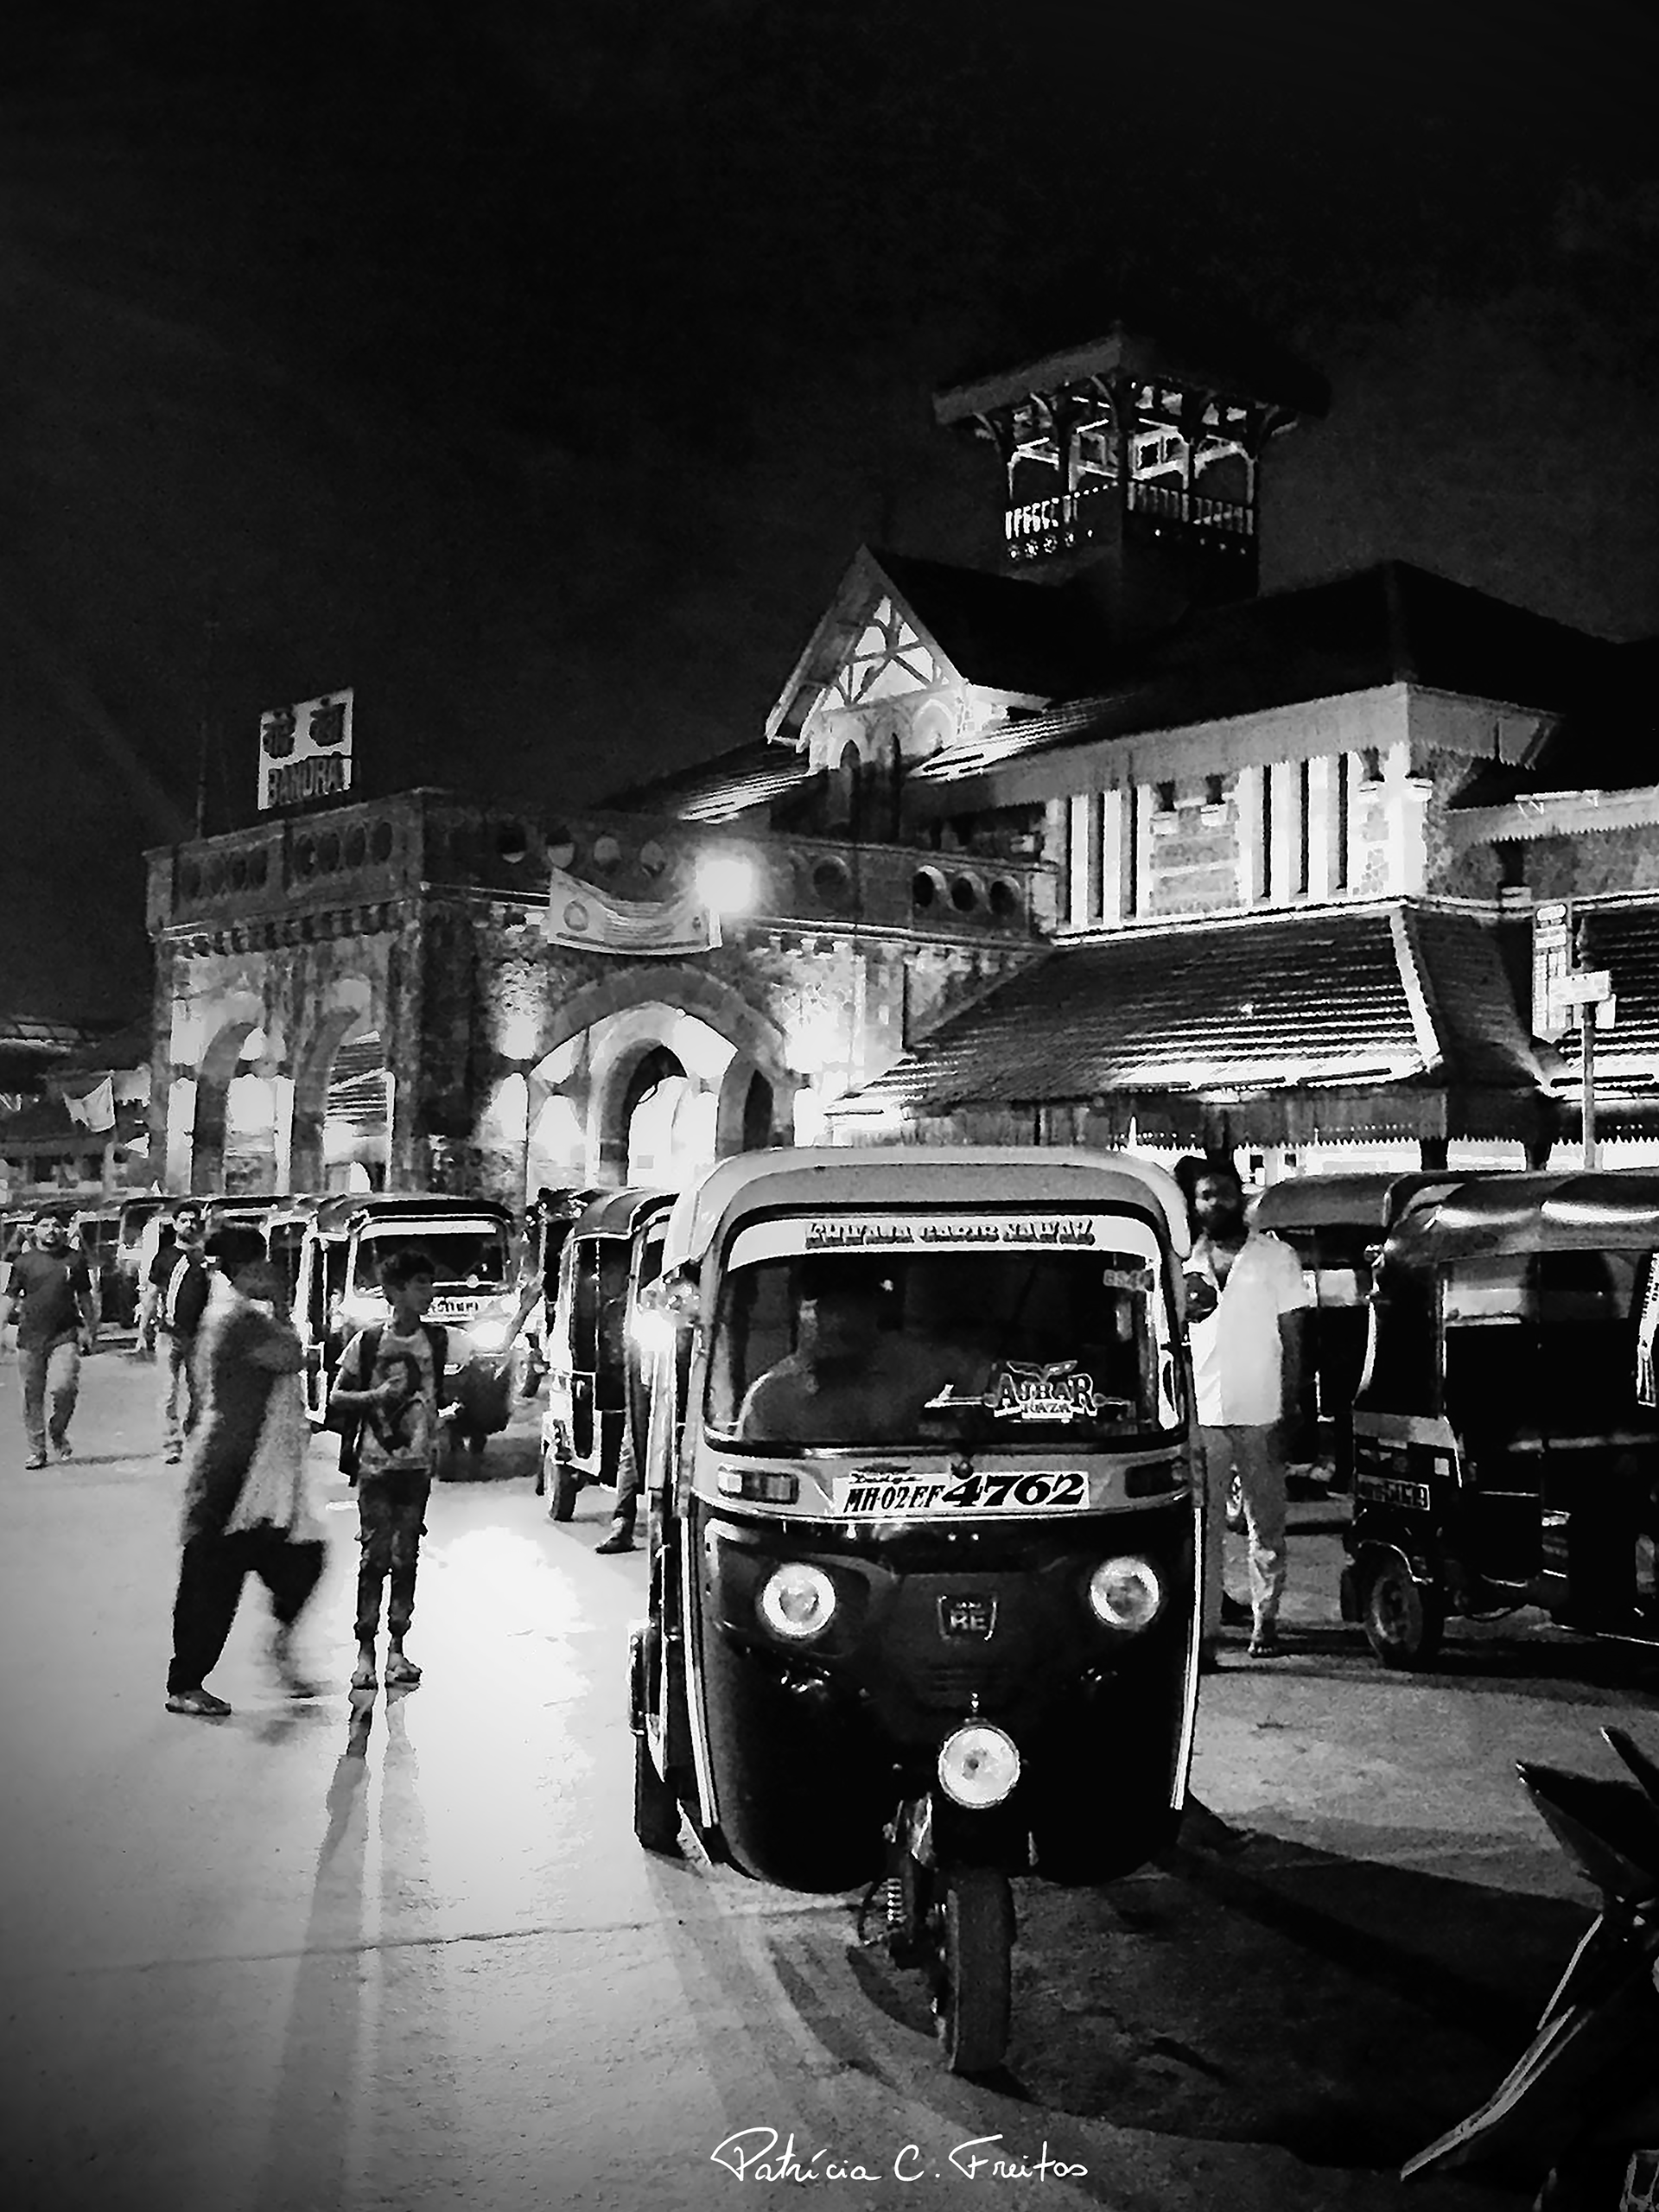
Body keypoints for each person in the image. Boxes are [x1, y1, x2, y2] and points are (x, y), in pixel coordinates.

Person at [164, 1226, 325, 1718]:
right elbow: (294, 1355)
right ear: (246, 1269)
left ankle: (276, 1649)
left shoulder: (232, 1314)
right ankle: (187, 1682)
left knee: (300, 1559)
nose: (270, 1274)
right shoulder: (237, 1318)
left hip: (251, 1473)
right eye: (262, 1267)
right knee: (212, 1576)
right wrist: (280, 1302)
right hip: (229, 1469)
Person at [1173, 1156, 1311, 1664]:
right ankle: (1204, 1636)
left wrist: (1294, 1409)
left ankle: (1265, 1619)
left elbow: (1296, 1340)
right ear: (1195, 1204)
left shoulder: (1278, 1258)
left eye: (1224, 1194)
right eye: (1206, 1196)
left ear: (1242, 1198)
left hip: (1263, 1412)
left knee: (1266, 1526)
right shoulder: (1181, 1261)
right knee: (1202, 1530)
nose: (1215, 1204)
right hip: (1202, 1415)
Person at [328, 1247, 458, 1693]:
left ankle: (397, 1650)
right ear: (394, 1292)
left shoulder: (436, 1341)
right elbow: (336, 1397)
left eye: (429, 1284)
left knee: (407, 1558)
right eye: (420, 1285)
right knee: (374, 1557)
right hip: (375, 1466)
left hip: (417, 1467)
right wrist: (376, 1397)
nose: (429, 1293)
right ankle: (366, 1652)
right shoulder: (366, 1343)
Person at [738, 1257, 983, 1446]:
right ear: (812, 1310)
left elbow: (986, 1384)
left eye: (858, 1299)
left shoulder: (923, 1365)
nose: (845, 1316)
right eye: (832, 1303)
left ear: (878, 1303)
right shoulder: (772, 1398)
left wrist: (954, 1428)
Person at [0, 1210, 98, 1466]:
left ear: (63, 1231)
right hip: (30, 1337)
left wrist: (91, 1329)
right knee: (32, 1396)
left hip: (64, 1335)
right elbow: (9, 1298)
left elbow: (86, 1298)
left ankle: (57, 1430)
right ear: (35, 1231)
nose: (51, 1230)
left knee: (64, 1387)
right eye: (45, 1225)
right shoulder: (23, 1263)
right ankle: (37, 1450)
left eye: (56, 1225)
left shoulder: (74, 1259)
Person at [139, 1204, 209, 1462]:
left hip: (200, 1336)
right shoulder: (166, 1257)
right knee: (168, 1392)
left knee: (200, 1392)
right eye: (184, 1220)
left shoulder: (205, 1260)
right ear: (175, 1224)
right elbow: (152, 1293)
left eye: (193, 1220)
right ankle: (171, 1445)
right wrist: (144, 1328)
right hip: (169, 1333)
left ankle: (192, 1432)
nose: (189, 1225)